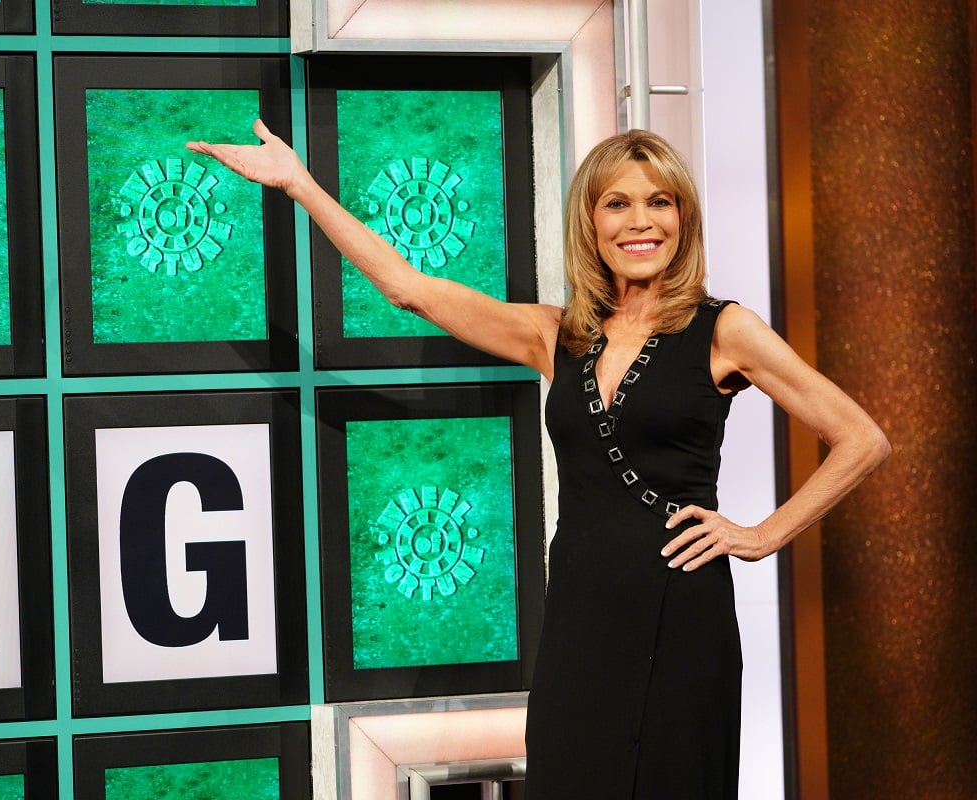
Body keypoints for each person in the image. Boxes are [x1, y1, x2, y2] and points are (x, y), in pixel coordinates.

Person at [187, 120, 889, 798]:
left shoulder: (726, 329)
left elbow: (861, 438)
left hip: (681, 615)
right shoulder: (557, 334)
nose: (640, 222)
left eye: (659, 202)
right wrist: (301, 185)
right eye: (618, 203)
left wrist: (761, 536)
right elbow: (408, 287)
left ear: (683, 218)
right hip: (580, 620)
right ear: (590, 223)